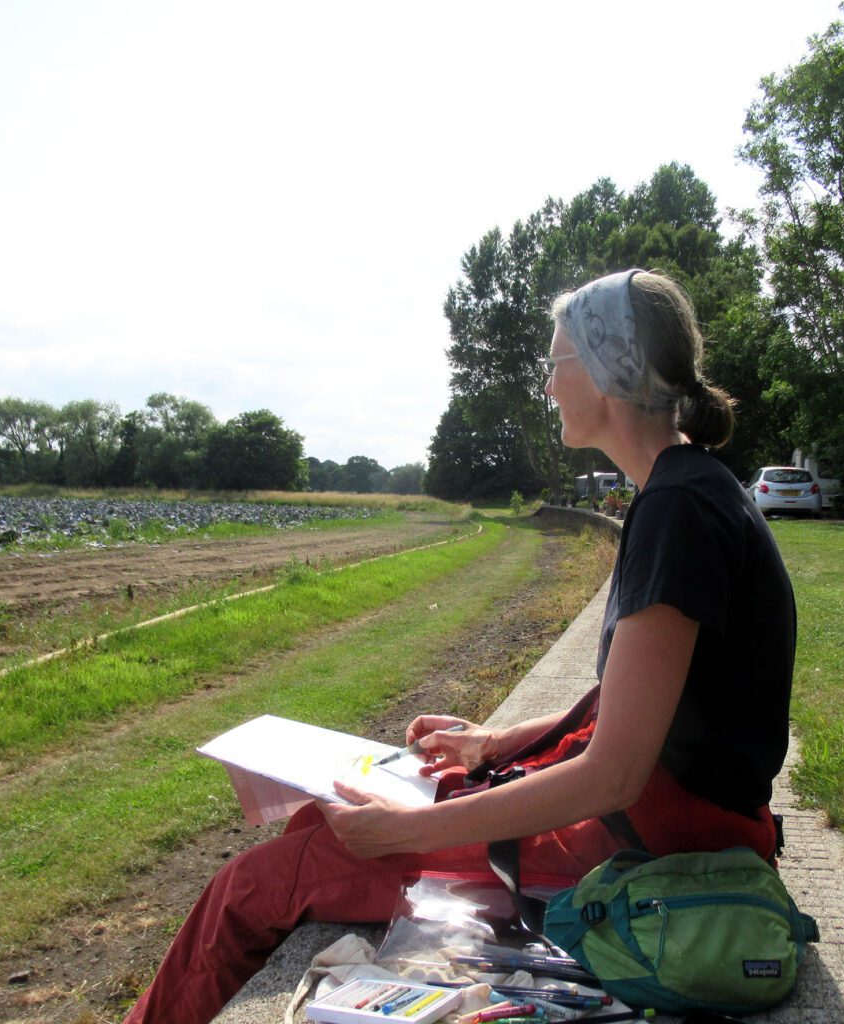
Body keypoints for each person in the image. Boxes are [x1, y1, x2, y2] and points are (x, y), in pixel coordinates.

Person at [123, 269, 796, 1024]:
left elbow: (614, 773)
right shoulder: (690, 489)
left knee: (257, 885)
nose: (546, 387)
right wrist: (491, 742)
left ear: (608, 373)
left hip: (647, 845)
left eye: (556, 364)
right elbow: (649, 709)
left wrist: (408, 831)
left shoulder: (678, 508)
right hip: (660, 821)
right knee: (316, 823)